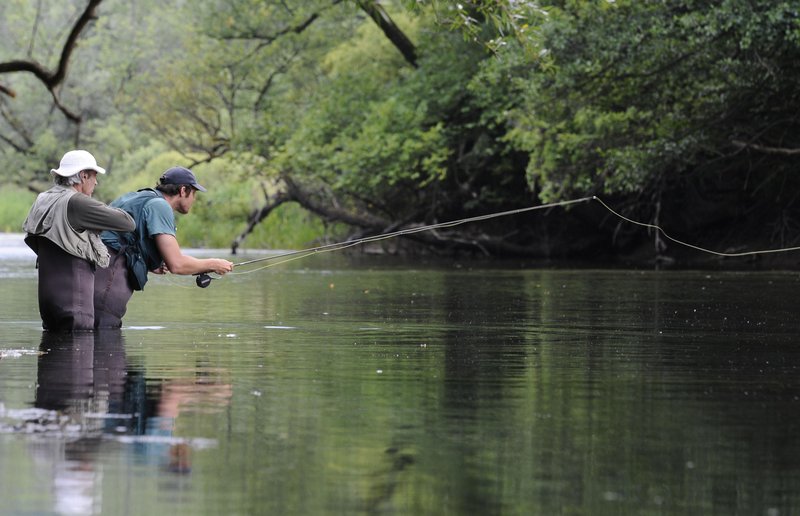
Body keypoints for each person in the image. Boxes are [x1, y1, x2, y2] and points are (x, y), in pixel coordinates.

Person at [93, 166, 233, 328]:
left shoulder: (136, 198)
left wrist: (151, 263)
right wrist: (214, 264)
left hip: (95, 274)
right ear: (183, 190)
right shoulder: (161, 206)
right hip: (109, 279)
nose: (194, 199)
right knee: (103, 336)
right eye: (193, 193)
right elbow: (177, 264)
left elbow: (124, 238)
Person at [23, 150, 136, 332]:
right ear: (83, 176)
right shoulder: (77, 202)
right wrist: (97, 210)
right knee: (78, 353)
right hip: (76, 309)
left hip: (48, 307)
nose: (96, 182)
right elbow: (128, 223)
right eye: (94, 176)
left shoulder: (42, 199)